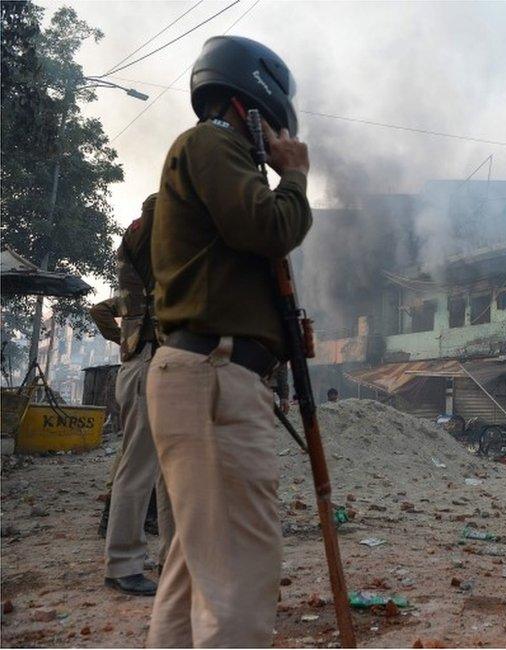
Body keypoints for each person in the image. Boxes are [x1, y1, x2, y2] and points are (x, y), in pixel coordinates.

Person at [146, 36, 311, 647]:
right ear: (255, 108)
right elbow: (270, 227)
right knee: (239, 575)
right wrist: (293, 175)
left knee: (193, 573)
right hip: (215, 379)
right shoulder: (213, 141)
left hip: (202, 374)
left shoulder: (205, 152)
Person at [89, 194, 174, 597]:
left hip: (155, 364)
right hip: (147, 364)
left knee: (169, 470)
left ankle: (175, 558)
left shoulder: (145, 257)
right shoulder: (146, 240)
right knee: (139, 467)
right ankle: (123, 563)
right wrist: (130, 339)